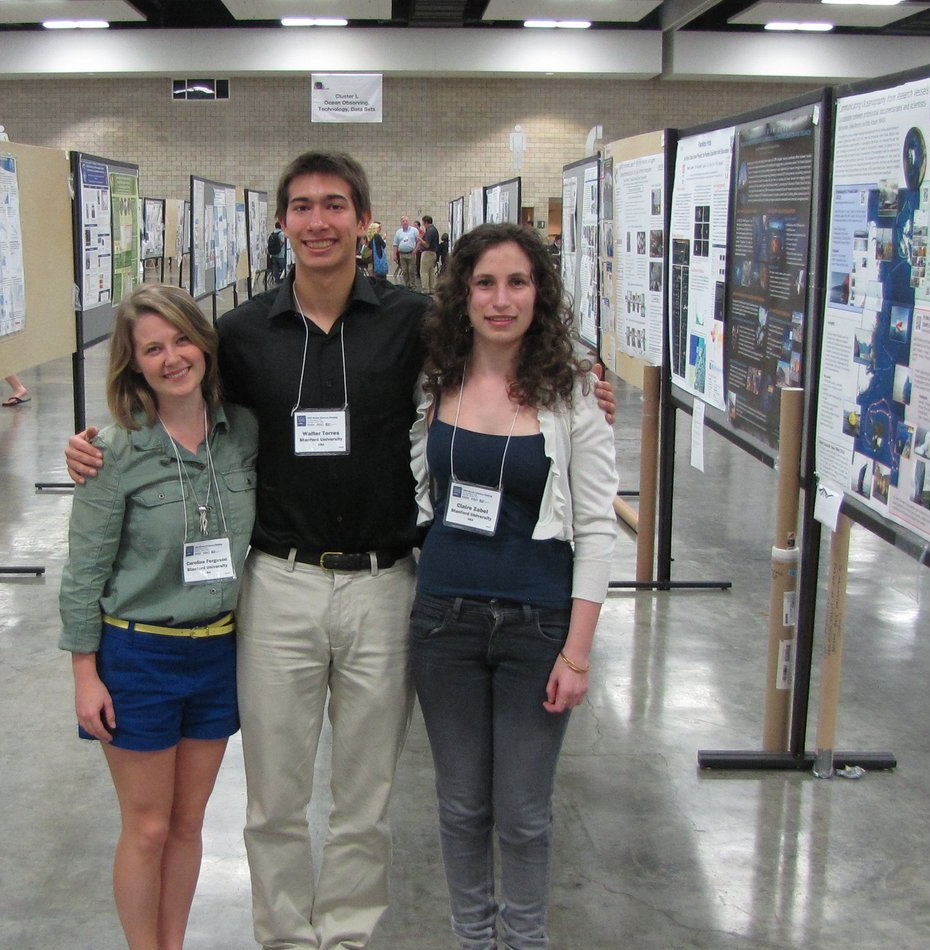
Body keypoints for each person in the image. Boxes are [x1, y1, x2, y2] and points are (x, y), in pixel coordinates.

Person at [68, 154, 614, 949]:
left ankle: (347, 936)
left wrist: (585, 391)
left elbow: (504, 363)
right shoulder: (241, 334)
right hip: (277, 583)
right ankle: (286, 938)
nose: (318, 221)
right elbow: (176, 399)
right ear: (282, 222)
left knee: (365, 799)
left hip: (385, 585)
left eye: (334, 205)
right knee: (275, 800)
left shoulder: (416, 322)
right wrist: (98, 444)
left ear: (363, 219)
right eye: (302, 206)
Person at [408, 221, 618, 949]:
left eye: (518, 283)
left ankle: (524, 941)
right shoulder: (434, 382)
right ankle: (474, 938)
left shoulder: (574, 394)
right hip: (444, 624)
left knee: (524, 814)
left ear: (540, 293)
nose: (501, 300)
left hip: (538, 628)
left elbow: (598, 527)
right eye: (486, 283)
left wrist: (577, 653)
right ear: (463, 294)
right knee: (462, 807)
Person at [57, 283, 258, 950]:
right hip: (138, 657)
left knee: (188, 826)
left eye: (181, 339)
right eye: (153, 349)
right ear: (134, 365)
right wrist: (85, 673)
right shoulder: (113, 452)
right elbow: (84, 571)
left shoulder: (243, 434)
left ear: (204, 343)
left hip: (217, 654)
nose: (172, 358)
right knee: (146, 827)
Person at [394, 215, 423, 291]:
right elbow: (395, 244)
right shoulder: (398, 232)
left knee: (411, 270)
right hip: (402, 254)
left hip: (411, 253)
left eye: (406, 221)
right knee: (404, 271)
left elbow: (419, 241)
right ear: (401, 223)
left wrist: (415, 250)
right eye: (403, 221)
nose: (405, 222)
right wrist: (394, 255)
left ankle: (413, 285)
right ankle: (407, 285)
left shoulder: (414, 230)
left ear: (408, 221)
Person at [418, 215, 441, 292]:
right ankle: (432, 288)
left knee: (424, 271)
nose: (423, 225)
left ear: (426, 222)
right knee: (431, 271)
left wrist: (420, 239)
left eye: (423, 223)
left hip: (427, 253)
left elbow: (427, 244)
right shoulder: (435, 230)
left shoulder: (429, 231)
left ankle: (425, 289)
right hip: (433, 253)